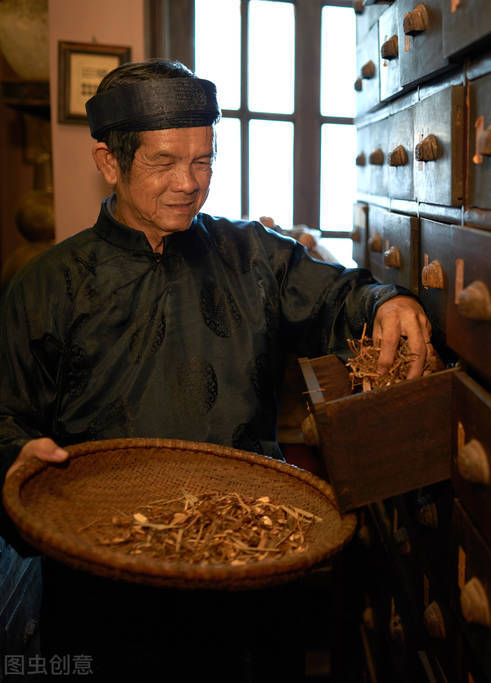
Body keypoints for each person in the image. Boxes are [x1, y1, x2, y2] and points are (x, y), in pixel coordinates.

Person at [0, 59, 431, 680]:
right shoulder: (48, 286)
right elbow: (6, 417)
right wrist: (15, 453)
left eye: (204, 160)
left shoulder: (252, 256)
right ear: (109, 163)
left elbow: (338, 298)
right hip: (105, 577)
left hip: (245, 565)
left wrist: (387, 301)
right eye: (164, 162)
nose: (189, 183)